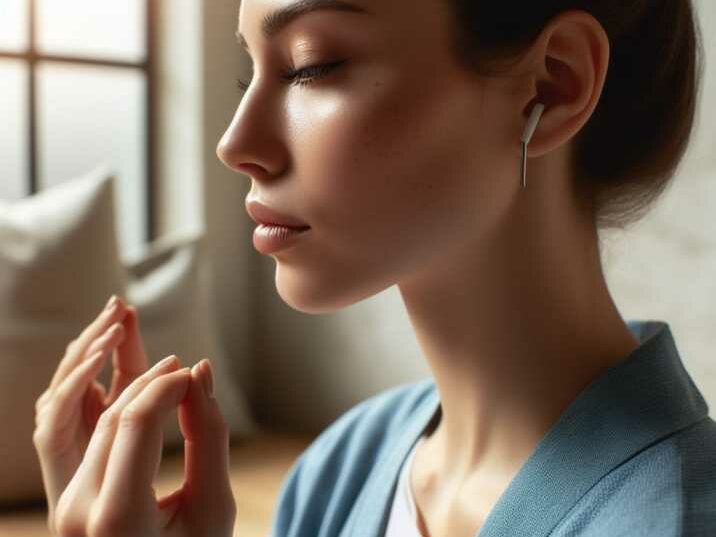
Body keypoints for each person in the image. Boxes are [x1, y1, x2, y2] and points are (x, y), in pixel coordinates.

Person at [32, 0, 715, 536]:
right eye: (249, 73)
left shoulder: (669, 518)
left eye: (311, 65)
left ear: (554, 84)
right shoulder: (343, 469)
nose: (235, 143)